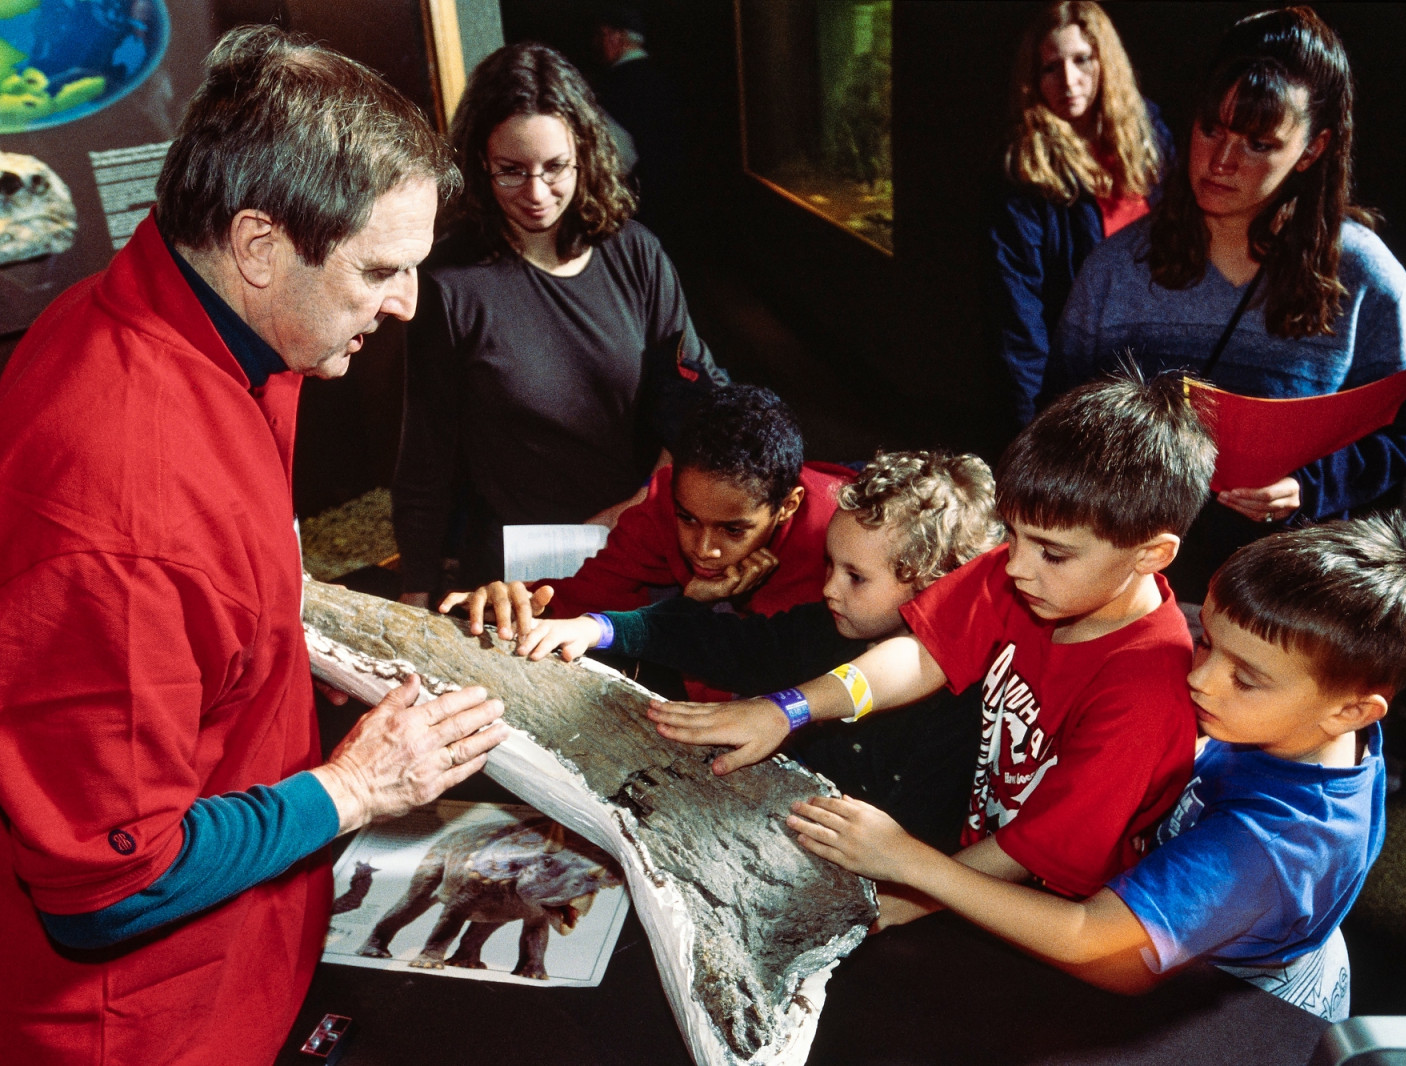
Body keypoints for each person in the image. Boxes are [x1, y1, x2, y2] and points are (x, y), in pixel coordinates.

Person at [0, 27, 508, 1066]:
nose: (404, 304)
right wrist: (357, 785)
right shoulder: (123, 519)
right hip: (105, 1022)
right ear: (259, 245)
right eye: (380, 270)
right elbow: (106, 887)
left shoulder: (195, 314)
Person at [789, 515, 1406, 1022]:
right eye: (1205, 643)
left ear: (1352, 711)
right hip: (1220, 921)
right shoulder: (1310, 712)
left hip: (1237, 988)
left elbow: (1094, 943)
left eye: (1244, 679)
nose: (1200, 681)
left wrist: (912, 862)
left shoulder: (1270, 847)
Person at [648, 371, 1217, 924]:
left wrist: (904, 892)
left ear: (1151, 555)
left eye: (1052, 552)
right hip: (954, 866)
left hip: (1032, 914)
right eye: (1013, 534)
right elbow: (922, 653)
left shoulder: (1143, 696)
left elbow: (1029, 854)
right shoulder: (1031, 573)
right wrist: (788, 708)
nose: (1014, 566)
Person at [1050, 6, 1406, 600]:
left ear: (1313, 149)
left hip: (1274, 598)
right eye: (1212, 129)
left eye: (1258, 143)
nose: (1222, 161)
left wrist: (1308, 487)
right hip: (1127, 588)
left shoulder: (1368, 278)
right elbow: (1055, 415)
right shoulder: (1116, 267)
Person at [514, 449, 1003, 850]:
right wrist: (596, 629)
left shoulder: (960, 704)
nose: (830, 588)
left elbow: (921, 838)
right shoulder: (824, 626)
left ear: (935, 585)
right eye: (831, 565)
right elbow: (724, 646)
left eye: (856, 577)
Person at [393, 41, 727, 607]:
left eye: (555, 168)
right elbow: (427, 451)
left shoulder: (636, 255)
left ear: (584, 153)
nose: (536, 194)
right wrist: (415, 589)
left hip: (636, 543)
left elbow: (700, 399)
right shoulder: (449, 283)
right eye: (511, 172)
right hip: (517, 575)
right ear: (480, 161)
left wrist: (647, 499)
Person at [442, 385, 853, 701]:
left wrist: (697, 613)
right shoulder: (663, 505)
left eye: (733, 530)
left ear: (788, 506)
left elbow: (822, 683)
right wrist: (511, 606)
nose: (704, 548)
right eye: (687, 518)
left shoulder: (842, 542)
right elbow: (578, 599)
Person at [991, 0, 1169, 427]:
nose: (1069, 81)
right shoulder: (1025, 171)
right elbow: (1019, 316)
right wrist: (1030, 427)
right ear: (1034, 79)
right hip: (1081, 383)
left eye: (1082, 60)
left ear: (1105, 61)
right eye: (1051, 67)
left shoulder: (1151, 136)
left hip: (1160, 367)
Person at [592, 5, 687, 235]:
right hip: (676, 201)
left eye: (601, 35)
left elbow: (614, 160)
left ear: (614, 37)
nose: (597, 44)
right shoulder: (668, 79)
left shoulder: (611, 89)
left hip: (634, 210)